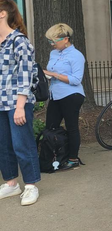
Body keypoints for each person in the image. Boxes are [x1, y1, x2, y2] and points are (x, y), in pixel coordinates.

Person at [0, 0, 40, 206]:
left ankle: (31, 185)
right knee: (3, 146)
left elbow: (26, 75)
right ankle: (11, 184)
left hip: (17, 103)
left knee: (22, 145)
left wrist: (20, 107)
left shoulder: (19, 41)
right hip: (0, 103)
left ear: (2, 14)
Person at [43, 23, 86, 170]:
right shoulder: (53, 54)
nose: (51, 44)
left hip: (71, 94)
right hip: (55, 94)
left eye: (53, 41)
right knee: (50, 127)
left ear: (65, 39)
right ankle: (55, 155)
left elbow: (76, 80)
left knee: (71, 126)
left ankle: (73, 158)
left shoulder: (76, 55)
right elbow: (52, 72)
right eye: (50, 41)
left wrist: (54, 74)